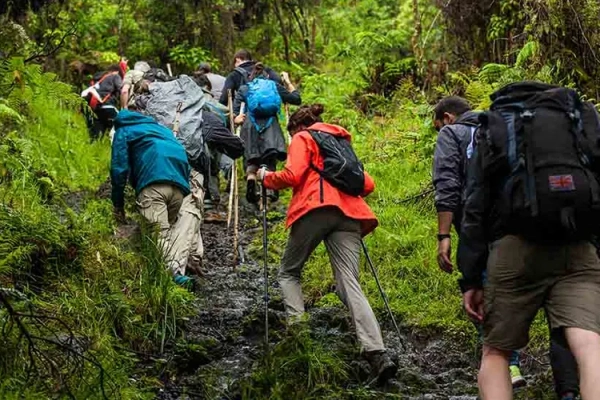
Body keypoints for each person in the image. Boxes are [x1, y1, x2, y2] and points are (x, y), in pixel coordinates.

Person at [458, 82, 600, 400]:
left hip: (514, 251)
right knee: (590, 346)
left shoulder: (497, 122)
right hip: (578, 246)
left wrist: (471, 276)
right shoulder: (577, 118)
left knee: (496, 353)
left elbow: (475, 204)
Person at [258, 104, 398, 384]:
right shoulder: (339, 141)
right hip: (350, 214)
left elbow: (292, 175)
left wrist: (265, 178)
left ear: (297, 127)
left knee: (289, 272)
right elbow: (366, 184)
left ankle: (299, 337)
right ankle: (376, 352)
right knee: (349, 281)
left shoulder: (303, 138)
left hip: (315, 208)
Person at [432, 96, 526, 387]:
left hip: (480, 228)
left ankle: (506, 366)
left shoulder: (452, 134)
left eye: (437, 126)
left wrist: (444, 235)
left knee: (481, 291)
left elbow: (447, 183)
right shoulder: (502, 128)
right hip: (522, 222)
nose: (439, 131)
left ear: (448, 118)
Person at [110, 109, 191, 281]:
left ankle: (176, 276)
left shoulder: (124, 130)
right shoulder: (161, 130)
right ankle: (152, 275)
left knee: (157, 235)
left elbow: (119, 168)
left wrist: (118, 204)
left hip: (153, 184)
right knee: (160, 234)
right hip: (179, 185)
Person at [233, 63, 301, 203]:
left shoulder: (245, 88)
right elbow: (296, 99)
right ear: (267, 76)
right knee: (270, 156)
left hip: (250, 127)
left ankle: (251, 179)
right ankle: (272, 185)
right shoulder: (274, 86)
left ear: (251, 77)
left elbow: (236, 111)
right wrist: (287, 82)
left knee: (252, 157)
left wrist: (236, 118)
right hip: (271, 127)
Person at [82, 64, 123, 140]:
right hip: (108, 106)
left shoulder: (97, 79)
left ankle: (94, 147)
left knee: (96, 133)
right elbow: (122, 89)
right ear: (117, 71)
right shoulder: (115, 76)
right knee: (121, 123)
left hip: (95, 108)